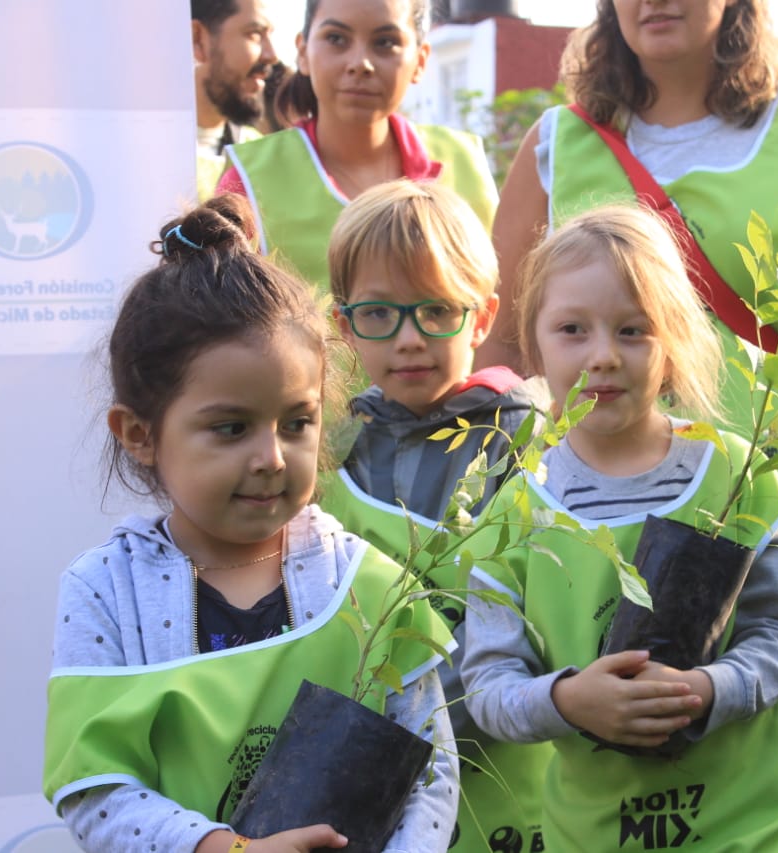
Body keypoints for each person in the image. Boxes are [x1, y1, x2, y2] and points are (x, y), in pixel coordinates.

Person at [477, 0, 778, 639]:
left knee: (752, 702)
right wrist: (484, 505)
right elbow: (501, 345)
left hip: (761, 517)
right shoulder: (557, 144)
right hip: (583, 523)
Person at [41, 194, 458, 853]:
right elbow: (95, 788)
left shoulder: (369, 583)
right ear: (139, 433)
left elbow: (429, 768)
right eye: (231, 428)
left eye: (296, 423)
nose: (271, 457)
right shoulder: (104, 591)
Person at [461, 204, 778, 852]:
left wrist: (707, 689)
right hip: (591, 835)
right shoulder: (515, 513)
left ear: (672, 340)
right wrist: (568, 700)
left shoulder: (735, 477)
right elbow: (488, 684)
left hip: (748, 828)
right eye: (572, 329)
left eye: (633, 330)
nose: (603, 356)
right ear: (534, 343)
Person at [319, 180, 550, 853]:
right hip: (367, 774)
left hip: (508, 776)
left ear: (482, 317)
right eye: (378, 314)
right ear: (343, 324)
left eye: (437, 310)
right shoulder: (333, 450)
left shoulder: (526, 441)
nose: (410, 338)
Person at [215, 0, 497, 292]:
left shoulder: (465, 164)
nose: (360, 63)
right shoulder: (249, 182)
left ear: (421, 60)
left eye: (385, 42)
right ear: (303, 52)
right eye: (336, 39)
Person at [192, 0, 278, 199]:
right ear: (198, 39)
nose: (271, 55)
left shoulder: (258, 154)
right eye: (254, 34)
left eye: (270, 35)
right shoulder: (134, 153)